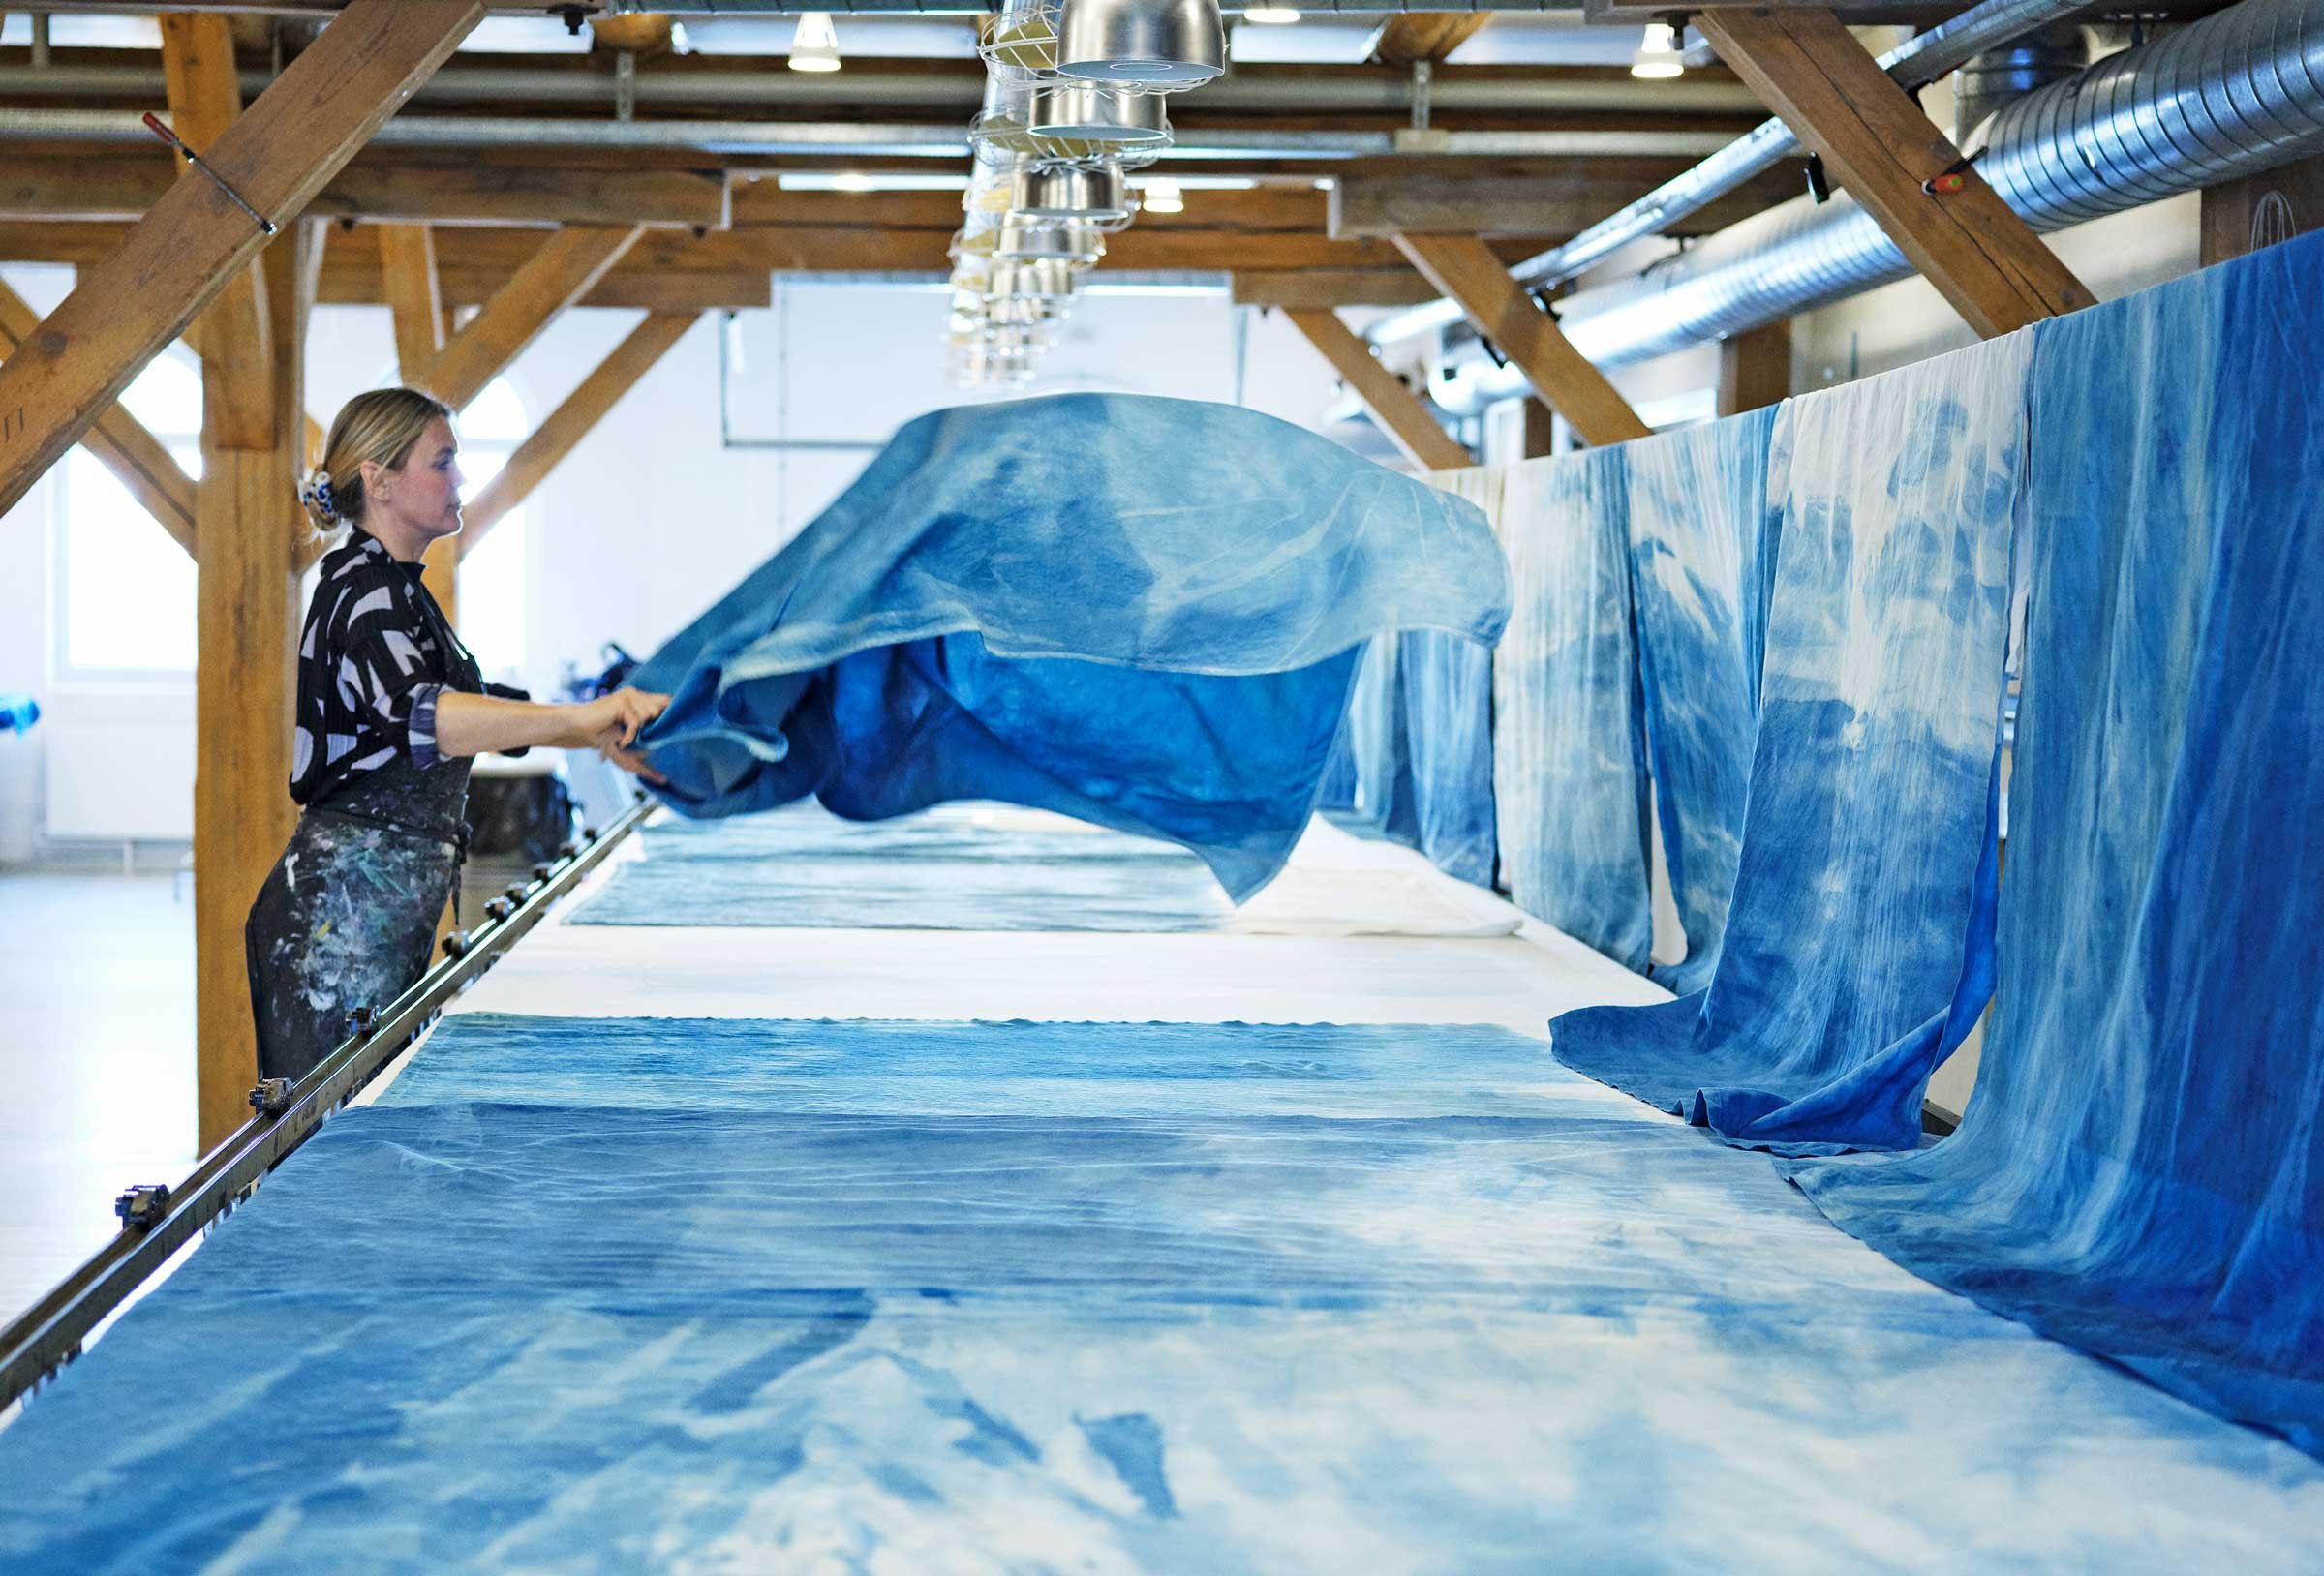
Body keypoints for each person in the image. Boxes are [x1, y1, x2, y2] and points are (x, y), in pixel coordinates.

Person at [244, 386, 669, 1083]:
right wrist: (578, 721)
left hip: (371, 912)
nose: (460, 479)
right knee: (332, 1142)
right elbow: (423, 715)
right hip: (333, 928)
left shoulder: (399, 591)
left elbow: (475, 707)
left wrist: (597, 733)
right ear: (378, 481)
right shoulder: (361, 591)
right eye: (442, 462)